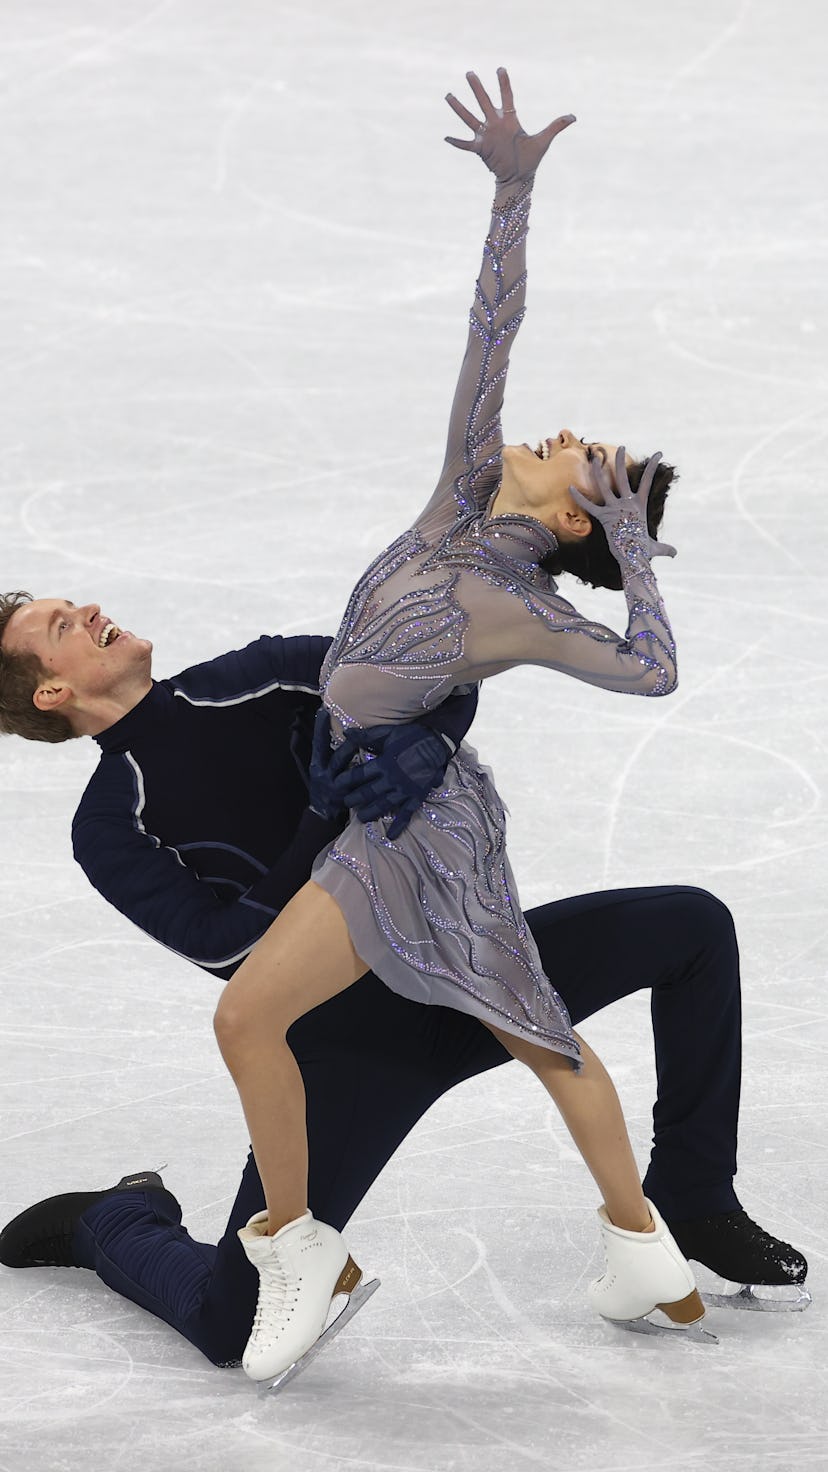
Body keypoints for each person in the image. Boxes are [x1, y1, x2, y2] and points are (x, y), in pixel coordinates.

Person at [0, 73, 808, 1383]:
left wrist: (427, 755)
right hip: (353, 1034)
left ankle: (691, 1195)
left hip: (462, 951)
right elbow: (233, 956)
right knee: (230, 1332)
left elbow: (425, 670)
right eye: (51, 626)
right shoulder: (112, 824)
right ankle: (112, 1222)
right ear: (48, 697)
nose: (81, 608)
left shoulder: (259, 674)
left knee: (690, 926)